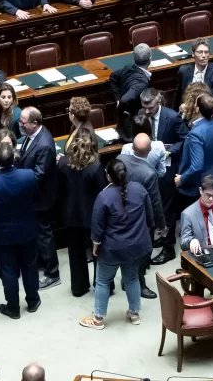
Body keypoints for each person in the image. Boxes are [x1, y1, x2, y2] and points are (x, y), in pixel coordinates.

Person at [80, 160, 154, 329]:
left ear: (108, 176)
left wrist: (95, 245)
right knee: (132, 278)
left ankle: (98, 318)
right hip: (135, 247)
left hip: (111, 249)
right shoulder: (139, 189)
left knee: (103, 281)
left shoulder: (104, 196)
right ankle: (134, 313)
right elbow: (150, 217)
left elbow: (97, 226)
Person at [0, 142, 41, 319]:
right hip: (28, 229)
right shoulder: (28, 175)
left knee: (9, 271)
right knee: (30, 266)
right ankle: (33, 301)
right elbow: (36, 198)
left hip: (4, 235)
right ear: (14, 158)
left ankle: (13, 308)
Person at [141, 89, 189, 265]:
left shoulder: (172, 116)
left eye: (150, 107)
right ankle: (160, 236)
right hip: (147, 168)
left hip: (167, 169)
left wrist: (170, 151)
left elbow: (185, 138)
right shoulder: (142, 114)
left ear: (158, 101)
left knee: (167, 211)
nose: (146, 111)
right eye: (144, 107)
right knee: (153, 207)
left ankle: (169, 248)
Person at [59, 126, 106, 297]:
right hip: (92, 216)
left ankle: (78, 287)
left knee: (75, 252)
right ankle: (101, 284)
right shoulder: (95, 167)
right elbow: (102, 192)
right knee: (97, 252)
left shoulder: (63, 163)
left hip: (71, 214)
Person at [16, 107, 60, 290]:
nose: (20, 125)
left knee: (44, 235)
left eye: (23, 122)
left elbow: (38, 176)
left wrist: (17, 182)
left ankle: (52, 273)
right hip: (34, 197)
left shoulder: (44, 145)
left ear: (35, 123)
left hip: (41, 199)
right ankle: (43, 262)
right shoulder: (33, 135)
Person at [117, 134, 164, 299]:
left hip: (121, 215)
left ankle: (126, 279)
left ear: (132, 147)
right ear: (149, 149)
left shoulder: (120, 158)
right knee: (144, 253)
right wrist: (161, 226)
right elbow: (155, 203)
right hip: (141, 220)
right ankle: (139, 284)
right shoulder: (149, 173)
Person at [176, 95, 213, 214]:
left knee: (197, 221)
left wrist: (182, 178)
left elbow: (197, 165)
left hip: (199, 183)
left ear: (197, 109)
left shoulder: (196, 133)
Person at [109, 43, 152, 142]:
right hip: (132, 128)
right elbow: (125, 100)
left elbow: (113, 77)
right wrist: (120, 105)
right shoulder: (141, 83)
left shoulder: (129, 67)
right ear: (150, 58)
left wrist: (118, 100)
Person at [180, 175, 213, 254]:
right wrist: (191, 241)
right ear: (200, 190)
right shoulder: (188, 214)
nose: (211, 199)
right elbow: (183, 241)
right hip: (203, 252)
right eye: (208, 195)